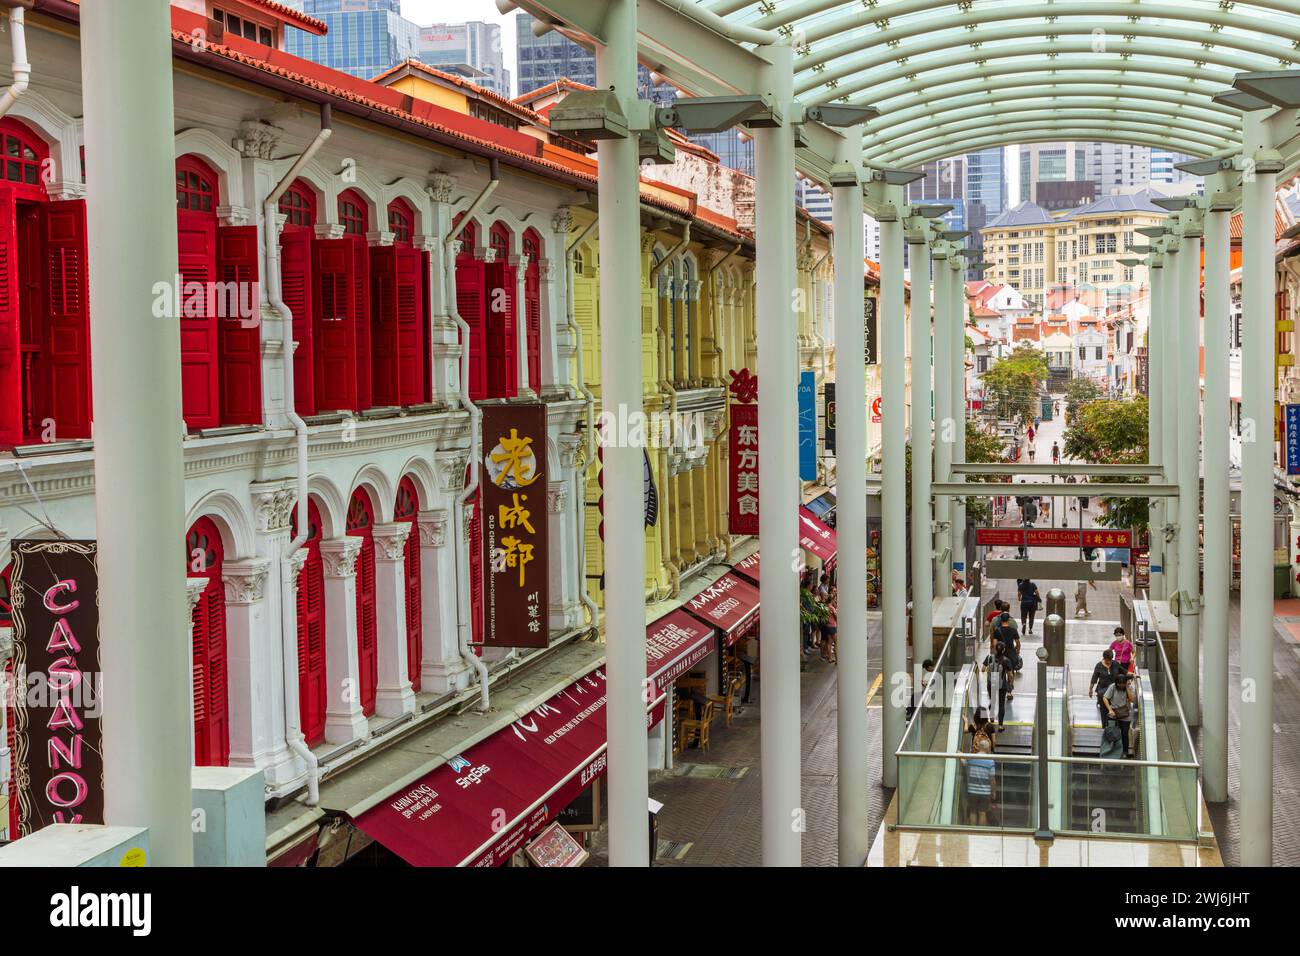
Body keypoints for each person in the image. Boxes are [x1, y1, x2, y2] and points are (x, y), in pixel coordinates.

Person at [965, 735, 997, 826]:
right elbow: (992, 779)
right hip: (985, 792)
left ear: (979, 747)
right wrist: (993, 791)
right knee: (982, 813)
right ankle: (980, 834)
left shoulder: (972, 758)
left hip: (972, 790)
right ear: (988, 749)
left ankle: (972, 832)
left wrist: (959, 754)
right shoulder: (990, 761)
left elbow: (964, 763)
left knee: (973, 812)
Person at [1103, 671, 1136, 757]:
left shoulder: (1128, 687)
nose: (1121, 686)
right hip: (1114, 714)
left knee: (1124, 733)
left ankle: (1125, 751)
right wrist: (1110, 710)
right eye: (1119, 684)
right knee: (1113, 732)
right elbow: (1105, 698)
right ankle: (1112, 750)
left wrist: (1127, 687)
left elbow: (1132, 699)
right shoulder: (1112, 687)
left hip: (1126, 714)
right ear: (1116, 683)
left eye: (1123, 684)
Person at [1089, 648, 1122, 726]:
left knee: (1114, 710)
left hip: (1114, 692)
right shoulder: (1099, 665)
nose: (1109, 662)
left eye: (1110, 660)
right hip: (1102, 692)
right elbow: (1094, 679)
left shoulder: (1115, 664)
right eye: (1107, 660)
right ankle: (1105, 727)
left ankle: (1114, 728)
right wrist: (1090, 690)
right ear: (1103, 658)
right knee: (1104, 711)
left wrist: (1132, 675)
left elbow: (1123, 671)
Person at [985, 642, 1010, 730]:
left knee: (992, 700)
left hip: (991, 683)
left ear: (995, 649)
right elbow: (1010, 674)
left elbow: (983, 669)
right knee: (1001, 705)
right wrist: (1010, 684)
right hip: (1002, 685)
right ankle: (1000, 725)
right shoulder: (1006, 660)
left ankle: (991, 717)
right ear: (1003, 650)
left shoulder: (989, 658)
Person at [821, 586, 838, 663]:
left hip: (827, 626)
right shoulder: (832, 608)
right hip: (833, 626)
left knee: (829, 643)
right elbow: (836, 617)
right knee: (836, 643)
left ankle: (830, 658)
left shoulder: (825, 607)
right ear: (832, 600)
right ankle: (837, 660)